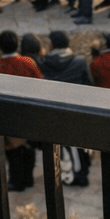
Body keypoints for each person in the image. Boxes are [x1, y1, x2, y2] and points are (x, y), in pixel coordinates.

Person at [0, 30, 45, 191]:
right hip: (29, 114)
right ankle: (28, 178)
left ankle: (16, 181)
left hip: (9, 117)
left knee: (13, 153)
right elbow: (40, 83)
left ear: (0, 47)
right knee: (29, 149)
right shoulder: (29, 63)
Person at [40, 30, 92, 186]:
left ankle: (62, 175)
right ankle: (81, 175)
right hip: (76, 110)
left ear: (53, 45)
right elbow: (89, 85)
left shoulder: (44, 64)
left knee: (61, 146)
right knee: (79, 145)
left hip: (55, 111)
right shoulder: (80, 61)